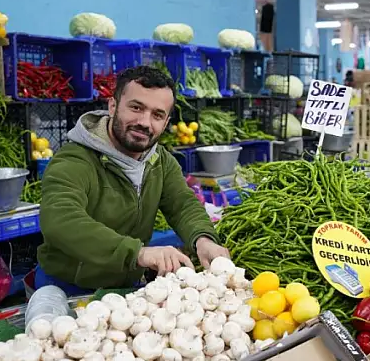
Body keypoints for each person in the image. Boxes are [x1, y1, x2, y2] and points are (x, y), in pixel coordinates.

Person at [36, 66, 229, 295]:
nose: (145, 122)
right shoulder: (75, 160)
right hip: (69, 287)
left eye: (157, 115)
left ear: (166, 123)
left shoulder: (161, 161)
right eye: (136, 108)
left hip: (126, 288)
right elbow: (61, 221)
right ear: (113, 106)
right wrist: (139, 253)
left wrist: (203, 239)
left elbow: (182, 204)